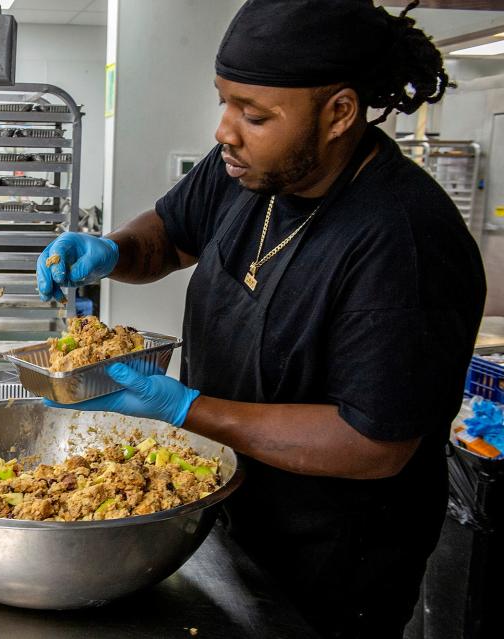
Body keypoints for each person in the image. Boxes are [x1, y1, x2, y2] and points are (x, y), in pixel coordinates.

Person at [36, 1, 486, 637]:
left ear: (339, 113)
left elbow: (375, 444)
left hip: (331, 563)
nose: (225, 130)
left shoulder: (403, 241)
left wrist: (184, 409)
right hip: (229, 512)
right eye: (224, 102)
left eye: (254, 114)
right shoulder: (246, 169)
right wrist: (109, 251)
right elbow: (168, 237)